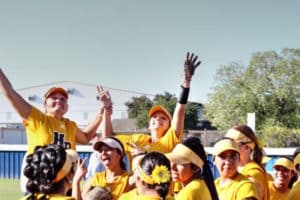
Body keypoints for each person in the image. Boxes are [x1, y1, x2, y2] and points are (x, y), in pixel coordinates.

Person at [0, 69, 111, 192]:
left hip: (66, 185)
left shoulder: (70, 125)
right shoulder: (38, 119)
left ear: (67, 106)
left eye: (63, 99)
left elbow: (85, 138)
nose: (59, 100)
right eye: (54, 98)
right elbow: (10, 93)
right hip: (42, 182)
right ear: (45, 104)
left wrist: (102, 112)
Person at [102, 52, 201, 171]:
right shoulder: (138, 139)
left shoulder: (169, 141)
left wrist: (186, 82)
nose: (158, 118)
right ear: (149, 124)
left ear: (169, 126)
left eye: (163, 118)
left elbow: (180, 111)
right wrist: (106, 111)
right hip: (138, 188)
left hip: (162, 188)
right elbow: (108, 138)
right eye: (154, 116)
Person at [225, 125, 270, 200]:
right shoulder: (237, 170)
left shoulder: (253, 174)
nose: (228, 149)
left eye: (233, 145)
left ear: (247, 147)